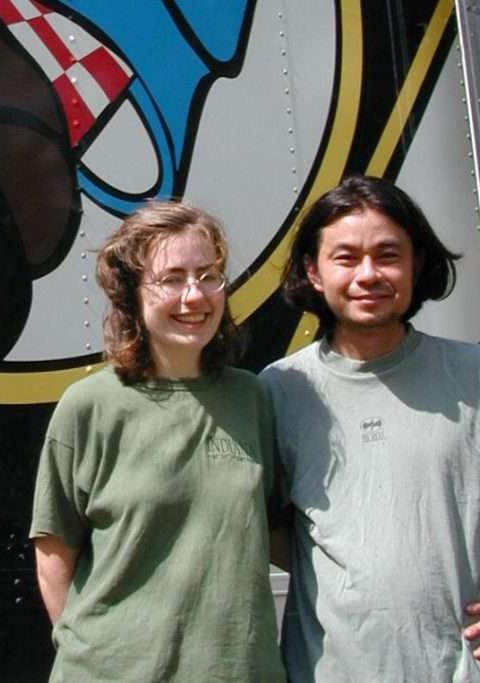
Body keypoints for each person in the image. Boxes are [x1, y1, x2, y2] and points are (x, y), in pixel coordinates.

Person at [260, 175, 480, 682]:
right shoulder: (281, 390)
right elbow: (262, 524)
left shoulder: (479, 377)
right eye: (346, 257)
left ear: (416, 264)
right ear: (313, 271)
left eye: (388, 254)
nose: (368, 274)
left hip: (462, 671)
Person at [29, 202, 287, 682]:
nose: (195, 296)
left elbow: (279, 534)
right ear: (131, 293)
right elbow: (53, 552)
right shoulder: (88, 406)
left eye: (209, 275)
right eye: (171, 279)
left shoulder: (252, 399)